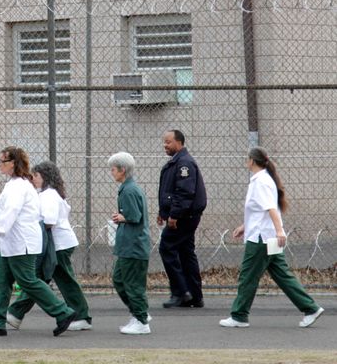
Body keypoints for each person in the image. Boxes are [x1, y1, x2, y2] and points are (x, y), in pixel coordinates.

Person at [0, 146, 77, 337]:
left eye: (3, 161)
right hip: (10, 244)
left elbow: (10, 213)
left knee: (28, 281)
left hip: (22, 243)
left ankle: (63, 312)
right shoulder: (14, 184)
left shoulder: (19, 187)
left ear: (13, 163)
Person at [219, 147, 324, 328]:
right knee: (282, 275)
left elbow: (270, 208)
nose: (247, 161)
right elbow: (260, 210)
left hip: (262, 239)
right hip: (266, 236)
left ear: (252, 161)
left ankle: (239, 316)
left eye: (247, 159)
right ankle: (311, 308)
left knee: (248, 276)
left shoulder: (261, 182)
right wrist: (245, 226)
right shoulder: (263, 180)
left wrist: (280, 231)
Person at [5, 161, 92, 331]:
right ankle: (15, 313)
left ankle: (81, 316)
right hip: (56, 244)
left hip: (59, 245)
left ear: (45, 177)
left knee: (59, 280)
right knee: (38, 279)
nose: (33, 179)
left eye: (36, 176)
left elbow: (49, 221)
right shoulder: (46, 194)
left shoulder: (49, 195)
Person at [158, 129, 207, 308]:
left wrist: (173, 215)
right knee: (186, 252)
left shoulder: (184, 163)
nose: (165, 145)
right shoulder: (176, 162)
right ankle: (195, 295)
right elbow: (170, 191)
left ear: (179, 142)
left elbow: (185, 192)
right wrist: (163, 212)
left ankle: (180, 292)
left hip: (184, 217)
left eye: (168, 142)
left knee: (167, 247)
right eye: (164, 142)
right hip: (184, 215)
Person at [108, 152, 151, 335]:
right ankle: (138, 311)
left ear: (122, 170)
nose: (112, 172)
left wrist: (122, 217)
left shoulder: (129, 190)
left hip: (134, 245)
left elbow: (134, 216)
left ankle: (141, 321)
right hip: (128, 245)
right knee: (119, 279)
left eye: (113, 169)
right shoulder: (128, 188)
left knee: (132, 284)